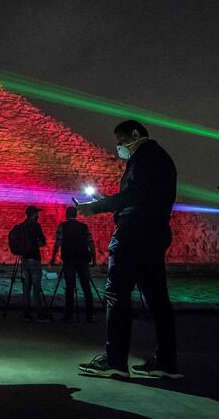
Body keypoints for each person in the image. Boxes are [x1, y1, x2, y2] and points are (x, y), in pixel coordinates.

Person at [77, 120, 182, 380]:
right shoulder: (161, 158)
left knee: (117, 294)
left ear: (135, 134)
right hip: (155, 232)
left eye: (121, 141)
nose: (119, 148)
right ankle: (166, 363)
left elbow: (134, 195)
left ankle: (115, 362)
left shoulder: (145, 157)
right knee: (158, 299)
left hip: (133, 233)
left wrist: (96, 207)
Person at [50, 206, 96, 323]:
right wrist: (94, 259)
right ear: (76, 215)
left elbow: (57, 244)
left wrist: (53, 259)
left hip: (69, 260)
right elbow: (91, 244)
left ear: (66, 215)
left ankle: (69, 315)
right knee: (86, 287)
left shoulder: (62, 227)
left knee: (70, 287)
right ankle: (90, 315)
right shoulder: (84, 227)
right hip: (83, 260)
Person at [18, 205, 51, 322]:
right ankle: (40, 314)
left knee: (26, 287)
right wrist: (37, 244)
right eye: (37, 213)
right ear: (33, 214)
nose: (38, 216)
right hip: (34, 258)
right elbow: (43, 241)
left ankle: (26, 313)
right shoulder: (35, 225)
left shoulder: (22, 226)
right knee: (36, 287)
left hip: (24, 259)